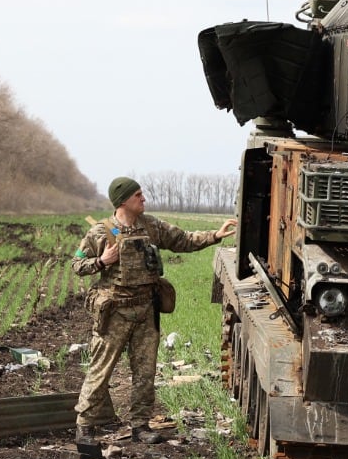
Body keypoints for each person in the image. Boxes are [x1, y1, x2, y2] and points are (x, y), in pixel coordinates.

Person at [72, 177, 236, 444]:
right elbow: (77, 265)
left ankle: (140, 426)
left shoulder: (151, 226)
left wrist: (215, 236)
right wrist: (102, 261)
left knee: (145, 373)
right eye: (138, 195)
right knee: (100, 371)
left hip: (146, 311)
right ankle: (85, 427)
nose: (144, 198)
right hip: (114, 313)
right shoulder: (100, 233)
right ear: (123, 200)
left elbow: (182, 240)